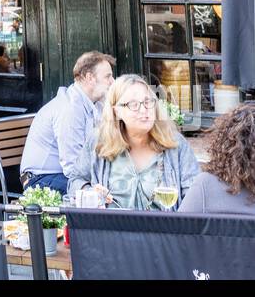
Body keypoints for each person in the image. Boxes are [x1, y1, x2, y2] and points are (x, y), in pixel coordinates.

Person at [67, 74, 199, 209]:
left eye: (148, 102)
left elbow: (196, 196)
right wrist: (90, 192)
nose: (143, 110)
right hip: (111, 228)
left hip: (163, 229)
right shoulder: (99, 141)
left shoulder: (176, 144)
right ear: (116, 111)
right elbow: (75, 181)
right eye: (133, 104)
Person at [20, 52, 116, 193]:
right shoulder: (70, 109)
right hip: (40, 179)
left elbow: (108, 143)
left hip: (63, 175)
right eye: (108, 76)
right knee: (104, 194)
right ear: (90, 78)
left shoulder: (96, 103)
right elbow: (72, 166)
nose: (113, 81)